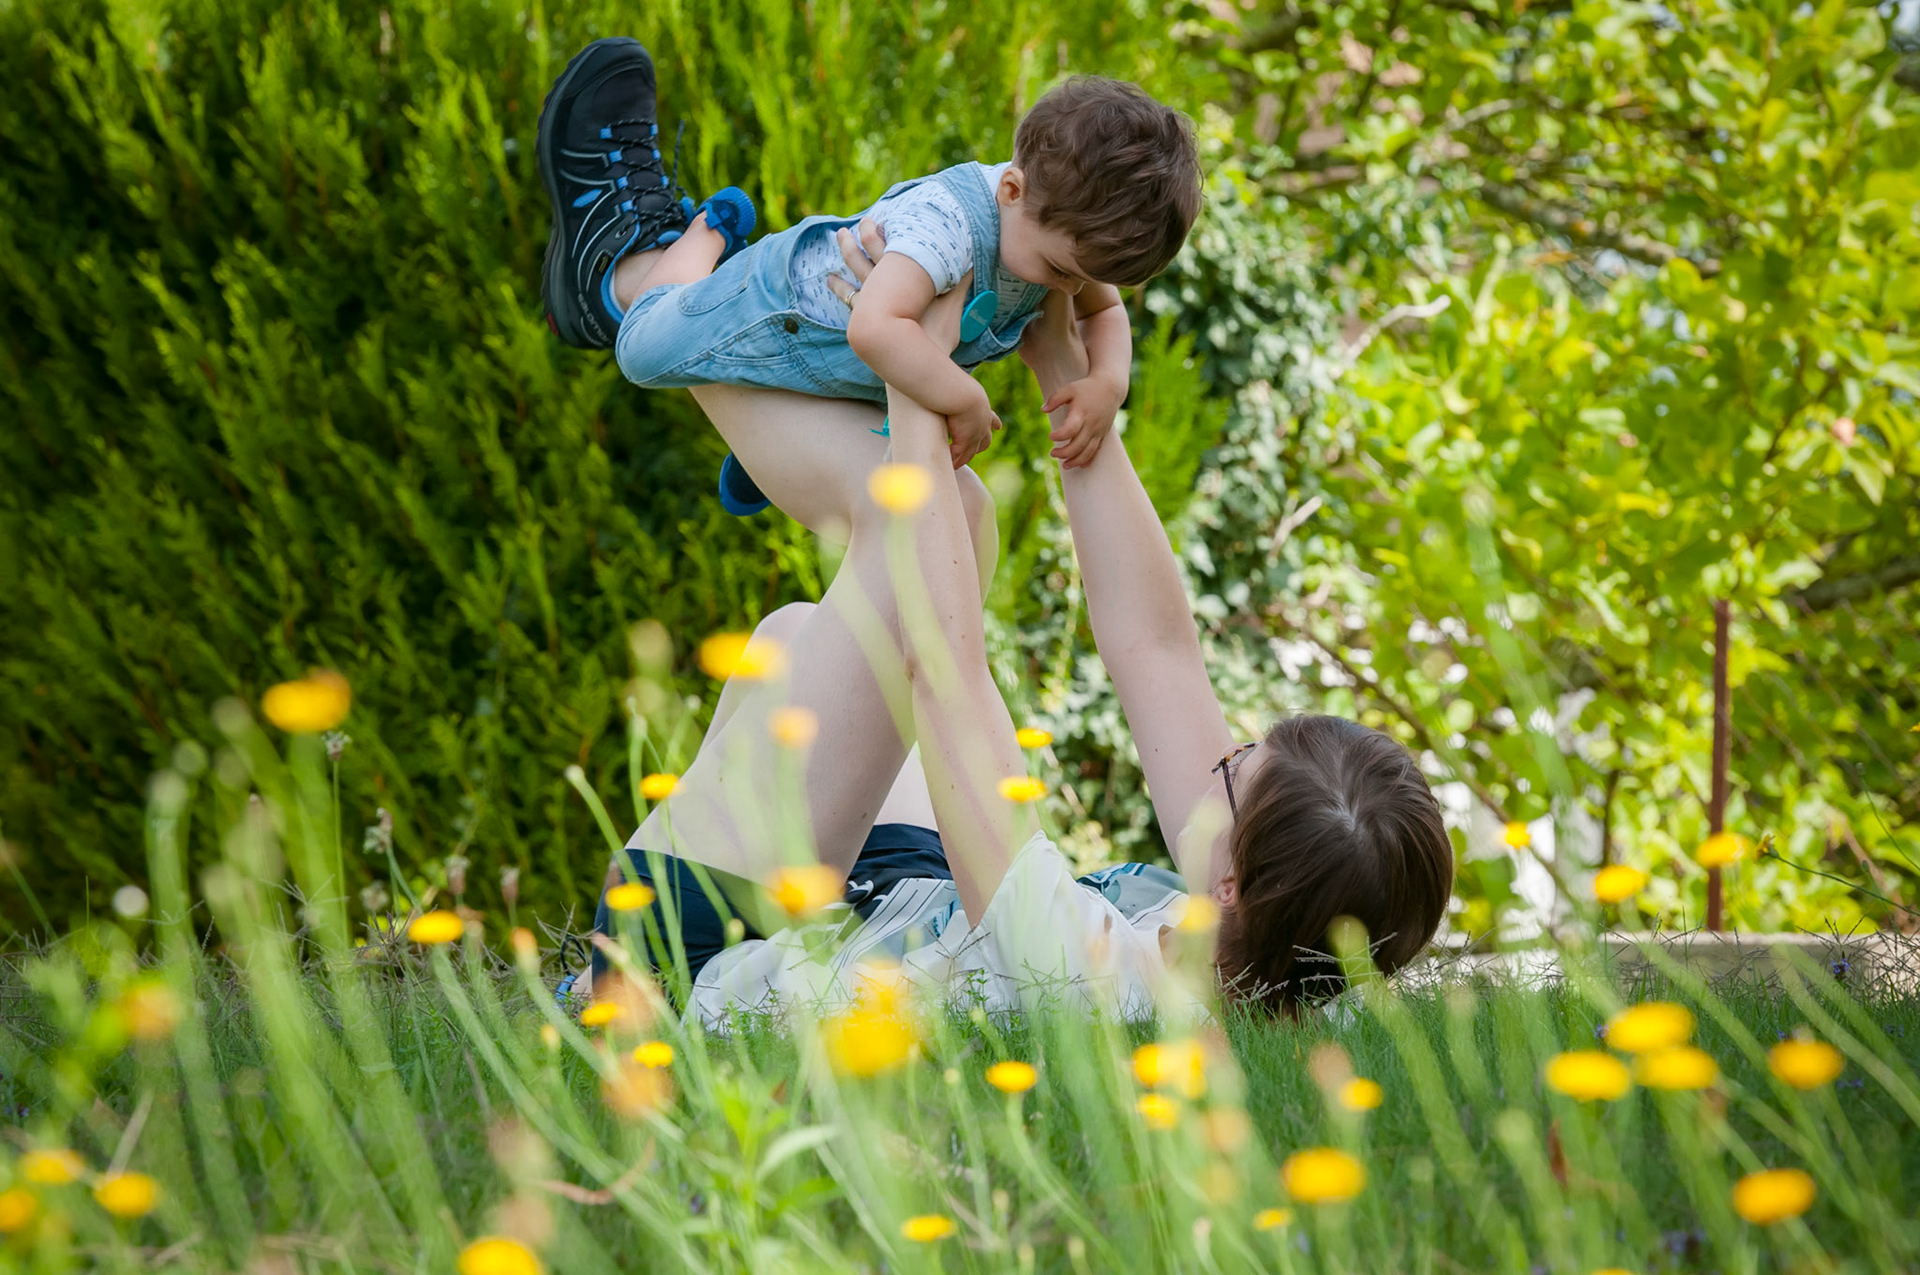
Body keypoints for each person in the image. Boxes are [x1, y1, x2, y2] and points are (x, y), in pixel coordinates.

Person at [544, 47, 1455, 1024]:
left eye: (1236, 771)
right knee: (804, 633)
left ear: (1233, 886)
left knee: (940, 518)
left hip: (681, 956)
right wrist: (1068, 375)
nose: (1223, 756)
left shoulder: (1073, 965)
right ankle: (784, 420)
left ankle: (630, 272)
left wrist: (913, 354)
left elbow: (948, 668)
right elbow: (1155, 643)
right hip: (898, 906)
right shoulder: (1286, 951)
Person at [536, 39, 1202, 514]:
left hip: (844, 374)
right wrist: (965, 397)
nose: (1064, 291)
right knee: (643, 350)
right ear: (1010, 189)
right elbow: (876, 329)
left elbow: (1103, 313)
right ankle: (692, 237)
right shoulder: (950, 225)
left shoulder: (1064, 229)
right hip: (779, 313)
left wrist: (1106, 384)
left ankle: (775, 446)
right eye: (1059, 271)